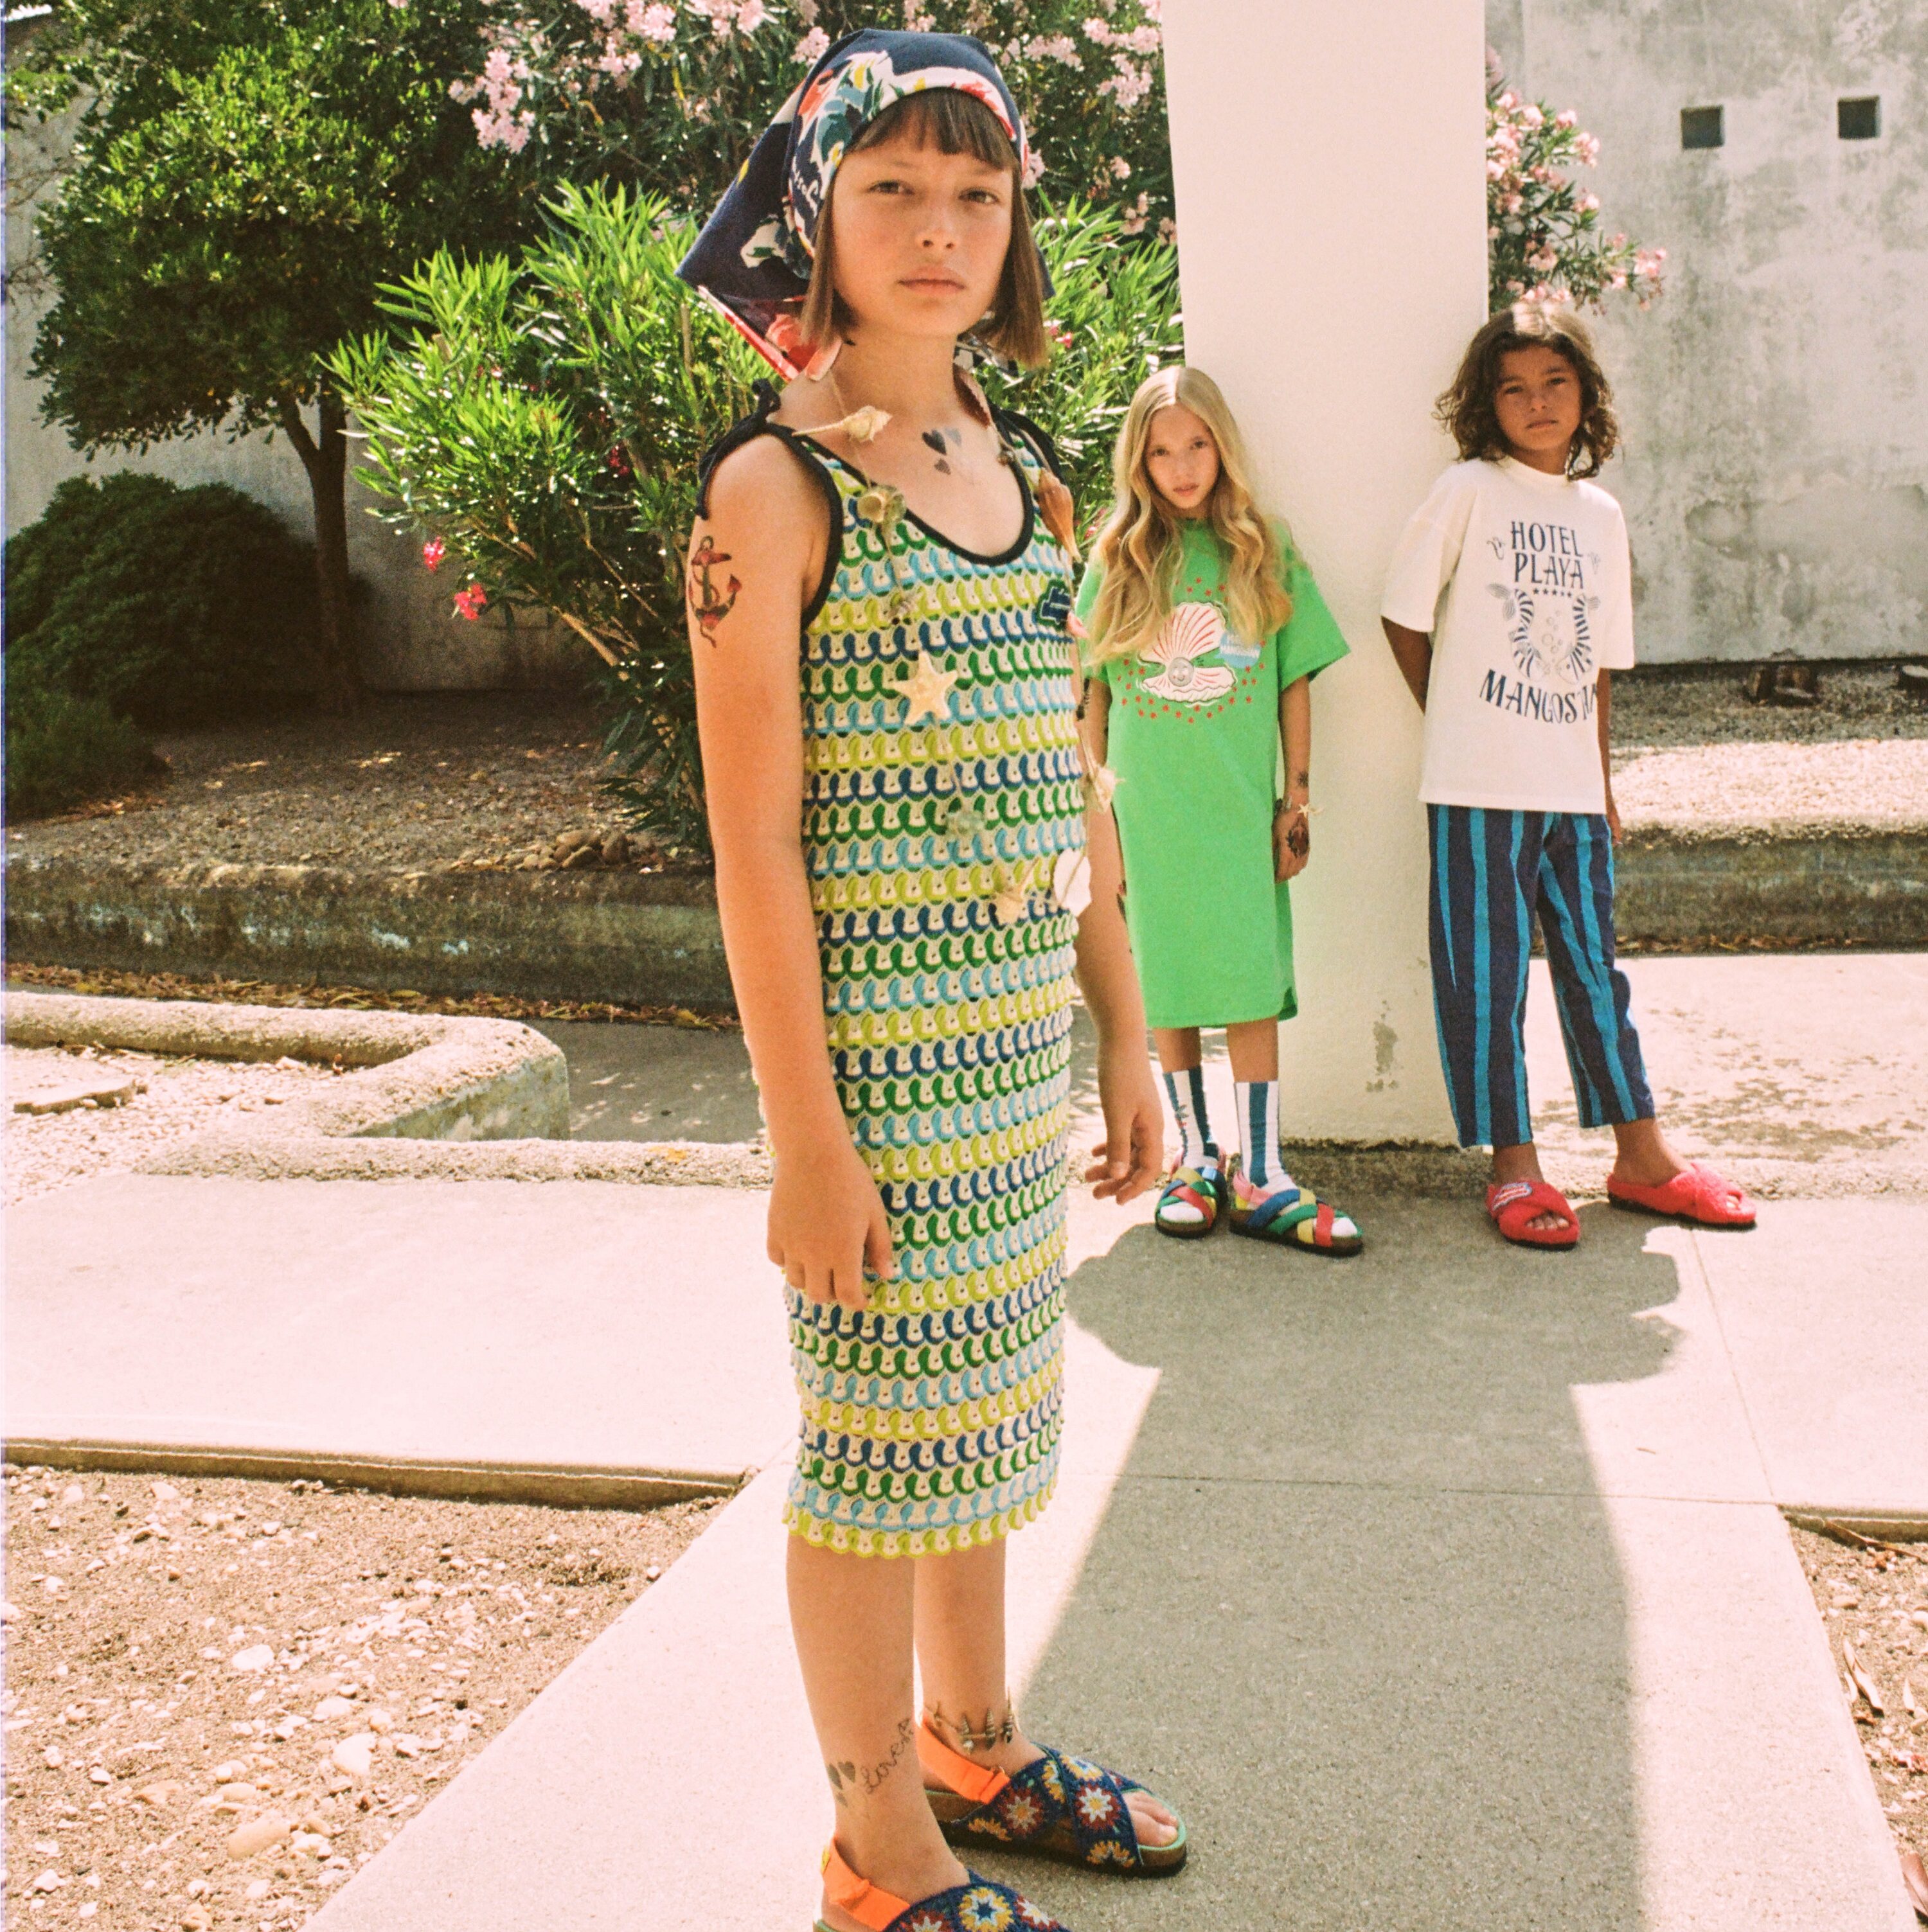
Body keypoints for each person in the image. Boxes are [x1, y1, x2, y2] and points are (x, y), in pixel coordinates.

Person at [677, 31, 1186, 1932]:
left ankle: (974, 1742)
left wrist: (1126, 1025)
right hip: (874, 1094)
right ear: (817, 213)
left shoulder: (1032, 482)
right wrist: (804, 1141)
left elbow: (1075, 778)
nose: (939, 228)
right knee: (875, 1458)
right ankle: (876, 1847)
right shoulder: (775, 492)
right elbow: (753, 846)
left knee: (986, 1423)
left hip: (1010, 1070)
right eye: (891, 187)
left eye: (978, 192)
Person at [1380, 303, 1758, 1248]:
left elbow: (1598, 669)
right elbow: (1402, 614)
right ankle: (1514, 1166)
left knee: (1596, 970)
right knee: (1487, 978)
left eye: (1555, 383)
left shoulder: (1600, 515)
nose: (1537, 402)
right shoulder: (1468, 489)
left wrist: (1603, 781)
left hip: (1571, 792)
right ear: (1488, 403)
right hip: (1476, 788)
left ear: (1586, 395)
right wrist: (1453, 718)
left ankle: (1642, 1158)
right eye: (1514, 388)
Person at [1073, 366, 1362, 1255]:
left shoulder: (1262, 549)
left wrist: (1296, 799)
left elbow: (1293, 681)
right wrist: (1097, 817)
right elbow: (1090, 698)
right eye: (1162, 452)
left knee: (1246, 981)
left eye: (1197, 445)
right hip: (1146, 816)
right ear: (1140, 462)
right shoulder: (1118, 558)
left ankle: (1262, 1172)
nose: (1182, 466)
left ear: (1222, 446)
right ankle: (1196, 1159)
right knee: (1163, 980)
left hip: (1237, 813)